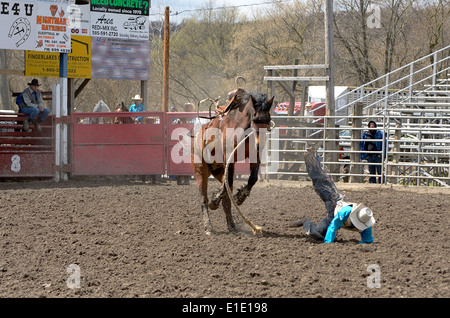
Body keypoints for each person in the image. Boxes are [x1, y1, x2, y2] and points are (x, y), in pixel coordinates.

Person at [289, 148, 375, 243]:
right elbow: (333, 225)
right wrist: (328, 242)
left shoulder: (366, 223)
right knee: (321, 183)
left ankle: (314, 159)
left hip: (336, 205)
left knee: (318, 233)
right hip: (334, 203)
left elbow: (368, 240)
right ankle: (312, 159)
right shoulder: (346, 212)